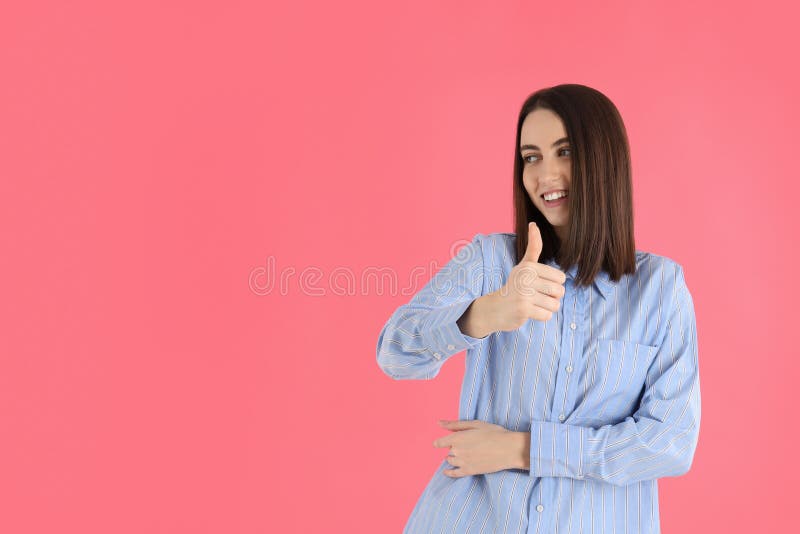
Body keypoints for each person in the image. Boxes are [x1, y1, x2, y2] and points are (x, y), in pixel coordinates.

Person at [375, 83, 701, 533]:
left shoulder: (661, 289)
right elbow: (394, 352)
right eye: (531, 157)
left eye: (564, 151)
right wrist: (487, 313)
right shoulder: (491, 261)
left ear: (604, 160)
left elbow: (670, 442)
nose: (545, 175)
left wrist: (523, 450)